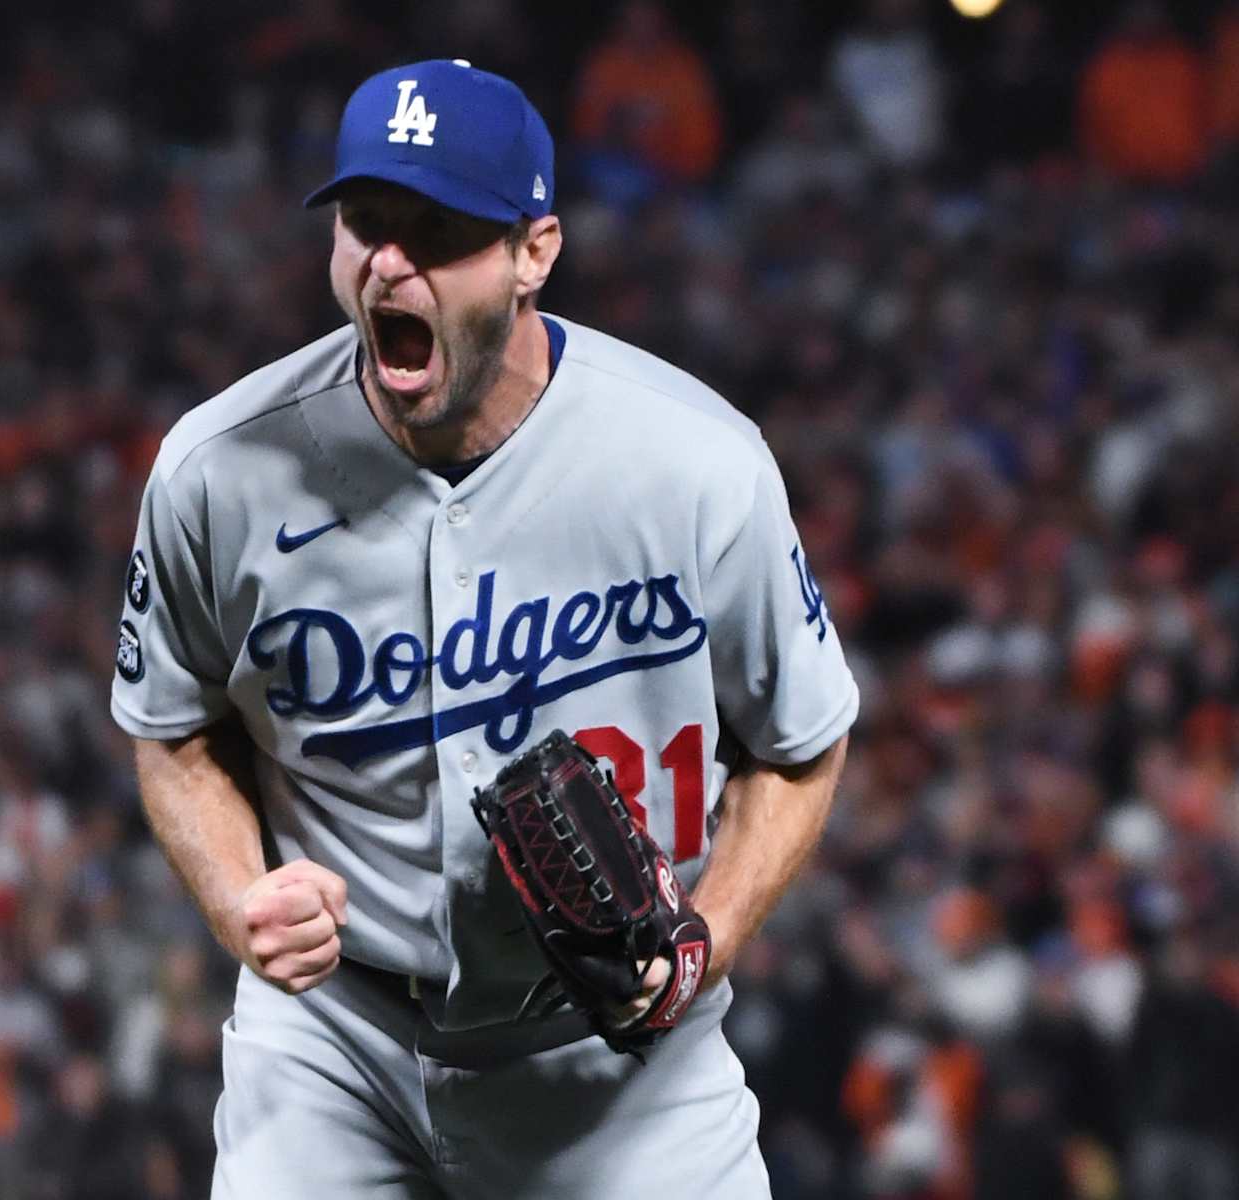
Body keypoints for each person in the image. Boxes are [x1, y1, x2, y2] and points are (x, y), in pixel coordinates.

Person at [110, 58, 856, 1198]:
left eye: (439, 229)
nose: (390, 263)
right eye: (367, 223)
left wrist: (708, 933)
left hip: (620, 1070)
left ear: (533, 253)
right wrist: (236, 894)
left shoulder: (695, 465)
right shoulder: (219, 472)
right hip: (332, 1051)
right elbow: (172, 728)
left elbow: (801, 745)